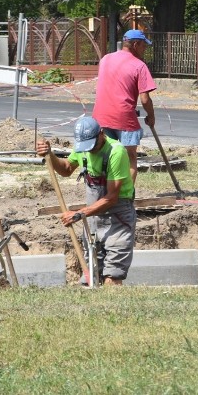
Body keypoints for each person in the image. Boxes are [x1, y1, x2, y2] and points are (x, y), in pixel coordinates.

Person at [36, 116, 135, 286]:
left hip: (117, 217)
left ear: (101, 134)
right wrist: (50, 155)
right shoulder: (83, 147)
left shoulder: (116, 152)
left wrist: (79, 214)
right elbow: (66, 169)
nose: (90, 150)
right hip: (93, 219)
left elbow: (111, 198)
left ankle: (113, 310)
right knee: (91, 275)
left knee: (112, 274)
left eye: (93, 146)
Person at [92, 29, 156, 182]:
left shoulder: (105, 59)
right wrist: (151, 116)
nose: (144, 49)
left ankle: (106, 193)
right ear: (135, 44)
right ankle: (126, 197)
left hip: (101, 116)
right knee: (130, 158)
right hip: (124, 117)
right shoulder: (139, 65)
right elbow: (145, 98)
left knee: (106, 156)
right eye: (143, 46)